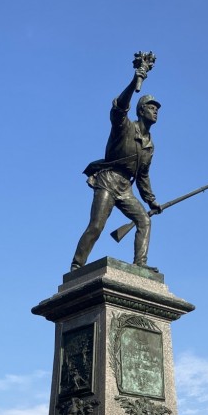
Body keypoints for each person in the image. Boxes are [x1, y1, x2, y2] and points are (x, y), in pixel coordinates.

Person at [71, 60, 162, 272]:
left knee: (144, 222)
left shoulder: (149, 146)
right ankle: (77, 265)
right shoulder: (124, 127)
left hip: (126, 188)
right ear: (141, 110)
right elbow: (120, 107)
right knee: (96, 226)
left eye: (157, 108)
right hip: (108, 180)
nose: (155, 111)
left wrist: (151, 201)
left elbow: (143, 176)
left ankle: (140, 265)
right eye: (151, 107)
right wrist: (134, 81)